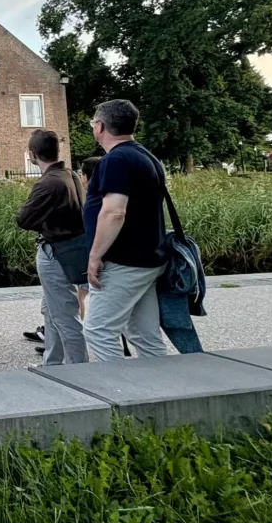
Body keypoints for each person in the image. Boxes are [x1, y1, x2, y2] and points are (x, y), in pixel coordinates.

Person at [82, 99, 169, 361]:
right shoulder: (145, 156)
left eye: (93, 123)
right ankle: (161, 390)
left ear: (100, 127)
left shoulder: (116, 160)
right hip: (148, 258)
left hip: (123, 261)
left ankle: (122, 393)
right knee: (144, 335)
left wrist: (95, 257)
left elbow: (114, 211)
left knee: (98, 329)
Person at [15, 130, 89, 366]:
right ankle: (54, 363)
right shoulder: (71, 175)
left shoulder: (49, 182)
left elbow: (23, 219)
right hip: (72, 250)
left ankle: (78, 369)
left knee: (64, 316)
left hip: (55, 252)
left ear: (32, 154)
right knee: (51, 311)